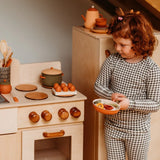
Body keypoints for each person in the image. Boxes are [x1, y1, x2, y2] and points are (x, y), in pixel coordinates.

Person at [94, 9, 160, 160]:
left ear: (139, 43)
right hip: (112, 127)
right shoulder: (112, 61)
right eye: (115, 43)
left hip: (138, 132)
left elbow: (155, 104)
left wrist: (130, 104)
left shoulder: (151, 69)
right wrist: (110, 95)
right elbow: (98, 85)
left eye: (122, 45)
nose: (117, 48)